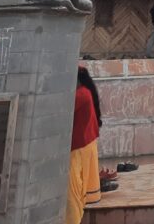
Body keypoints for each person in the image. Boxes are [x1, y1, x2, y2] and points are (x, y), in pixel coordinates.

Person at [68, 67, 102, 223]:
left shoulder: (80, 95)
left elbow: (62, 111)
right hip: (86, 144)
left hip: (78, 147)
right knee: (80, 188)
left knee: (72, 191)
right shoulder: (86, 92)